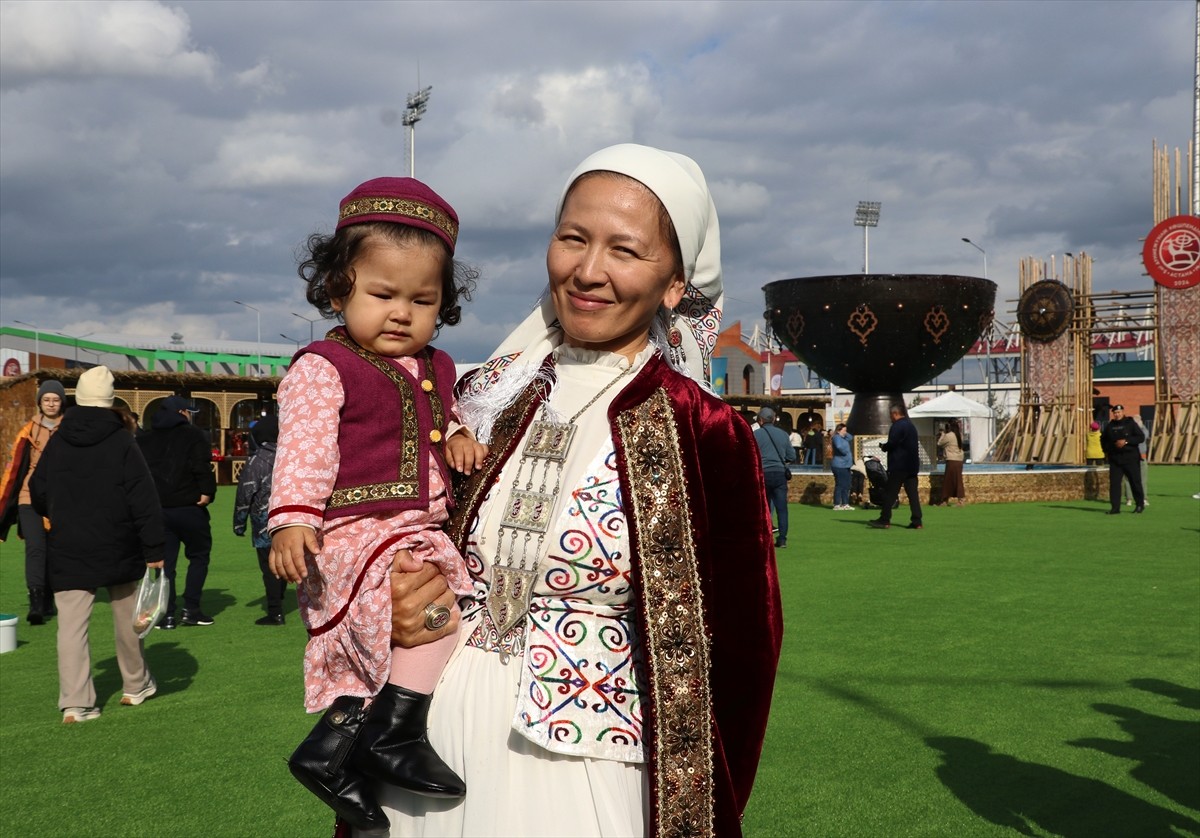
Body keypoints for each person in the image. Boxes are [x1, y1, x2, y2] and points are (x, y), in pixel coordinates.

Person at [377, 143, 783, 838]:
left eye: (625, 250)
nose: (588, 271)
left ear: (674, 285)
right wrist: (397, 598)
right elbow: (380, 527)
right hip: (428, 740)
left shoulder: (703, 430)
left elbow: (745, 646)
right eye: (572, 238)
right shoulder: (480, 400)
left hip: (584, 764)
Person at [267, 176, 488, 830]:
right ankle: (390, 734)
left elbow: (443, 417)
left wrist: (460, 435)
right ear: (338, 291)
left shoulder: (436, 366)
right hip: (354, 531)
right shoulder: (324, 366)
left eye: (423, 300)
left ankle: (332, 752)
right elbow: (304, 446)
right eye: (382, 294)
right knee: (433, 616)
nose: (402, 313)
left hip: (410, 527)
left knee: (411, 628)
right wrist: (292, 520)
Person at [28, 366, 163, 723]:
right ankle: (135, 684)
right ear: (109, 400)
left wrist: (59, 513)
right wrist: (155, 549)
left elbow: (38, 489)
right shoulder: (122, 440)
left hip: (68, 542)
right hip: (118, 540)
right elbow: (143, 498)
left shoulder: (58, 439)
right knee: (128, 619)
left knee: (71, 627)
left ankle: (76, 702)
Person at [138, 395, 217, 628]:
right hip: (190, 506)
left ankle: (167, 613)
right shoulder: (194, 435)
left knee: (166, 564)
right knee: (199, 556)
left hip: (159, 509)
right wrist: (207, 492)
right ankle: (191, 609)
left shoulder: (145, 439)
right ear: (182, 412)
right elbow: (201, 466)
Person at [1, 379, 65, 625]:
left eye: (55, 399)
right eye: (46, 399)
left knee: (55, 549)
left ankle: (48, 597)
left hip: (59, 498)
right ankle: (36, 602)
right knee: (35, 547)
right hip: (29, 495)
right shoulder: (27, 430)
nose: (51, 404)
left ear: (62, 403)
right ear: (40, 402)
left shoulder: (70, 429)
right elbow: (14, 467)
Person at [232, 415, 287, 625]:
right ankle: (280, 596)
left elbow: (245, 494)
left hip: (265, 522)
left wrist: (239, 523)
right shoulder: (290, 457)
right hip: (288, 520)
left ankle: (275, 611)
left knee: (269, 566)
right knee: (284, 559)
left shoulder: (256, 461)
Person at [870, 405, 923, 529]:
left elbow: (893, 443)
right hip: (912, 466)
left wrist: (884, 447)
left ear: (895, 414)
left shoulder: (897, 426)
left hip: (899, 465)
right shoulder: (911, 426)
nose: (890, 418)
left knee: (890, 493)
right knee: (913, 495)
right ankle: (917, 521)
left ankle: (884, 519)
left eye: (891, 415)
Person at [754, 406, 795, 547]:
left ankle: (764, 536)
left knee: (763, 506)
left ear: (760, 420)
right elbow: (791, 456)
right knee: (782, 508)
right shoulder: (783, 434)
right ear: (773, 419)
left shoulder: (756, 435)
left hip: (763, 473)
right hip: (779, 474)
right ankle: (782, 538)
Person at [1101, 404, 1144, 514]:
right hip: (1115, 459)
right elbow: (1103, 440)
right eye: (1115, 413)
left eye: (1119, 412)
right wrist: (1109, 449)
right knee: (1115, 484)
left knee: (1135, 482)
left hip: (1130, 458)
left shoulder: (1130, 423)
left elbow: (1140, 437)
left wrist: (1126, 441)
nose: (1117, 414)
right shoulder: (1110, 426)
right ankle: (1115, 508)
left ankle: (1139, 504)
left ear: (1123, 412)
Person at [936, 419, 966, 506]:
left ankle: (945, 500)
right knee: (957, 480)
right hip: (959, 460)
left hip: (952, 460)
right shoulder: (959, 435)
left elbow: (940, 443)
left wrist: (943, 434)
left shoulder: (949, 436)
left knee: (948, 481)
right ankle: (959, 500)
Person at [1122, 415, 1149, 507]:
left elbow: (1145, 436)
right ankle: (1132, 498)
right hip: (1134, 456)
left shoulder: (1139, 431)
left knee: (1139, 479)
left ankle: (1139, 498)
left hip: (1139, 456)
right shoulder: (1136, 431)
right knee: (1131, 479)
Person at [831, 422, 854, 510]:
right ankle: (837, 504)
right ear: (839, 430)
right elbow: (839, 446)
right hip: (839, 465)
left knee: (846, 484)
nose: (845, 432)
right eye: (844, 430)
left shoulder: (844, 438)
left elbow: (850, 437)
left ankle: (845, 503)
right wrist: (845, 452)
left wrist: (845, 432)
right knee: (840, 484)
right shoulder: (837, 437)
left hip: (846, 465)